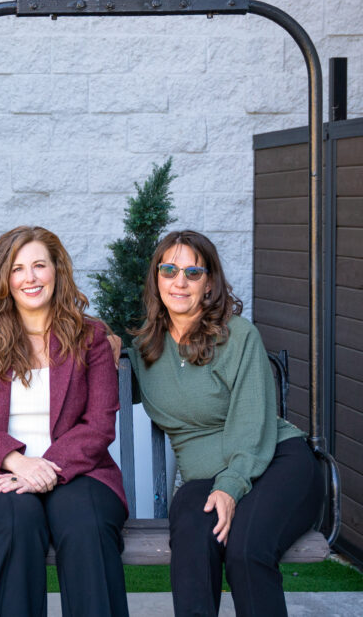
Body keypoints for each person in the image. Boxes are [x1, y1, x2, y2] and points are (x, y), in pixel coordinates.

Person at [130, 230, 323, 617]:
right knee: (191, 537)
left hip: (275, 463)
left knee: (246, 551)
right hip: (204, 479)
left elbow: (252, 422)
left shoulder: (238, 336)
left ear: (209, 283)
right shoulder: (144, 349)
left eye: (193, 272)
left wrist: (230, 486)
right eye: (169, 270)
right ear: (156, 278)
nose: (179, 282)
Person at [0, 226, 129, 617]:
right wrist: (16, 462)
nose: (29, 277)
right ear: (4, 278)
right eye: (17, 269)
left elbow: (98, 424)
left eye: (39, 266)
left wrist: (44, 470)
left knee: (86, 523)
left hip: (79, 470)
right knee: (16, 521)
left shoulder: (90, 337)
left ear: (57, 271)